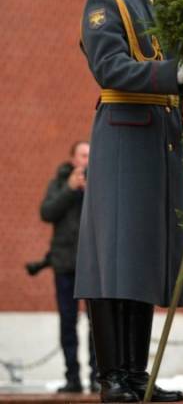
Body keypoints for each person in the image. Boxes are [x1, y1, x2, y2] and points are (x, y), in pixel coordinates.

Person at [75, 0, 183, 403]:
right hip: (125, 134)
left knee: (145, 257)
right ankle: (113, 378)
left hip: (161, 137)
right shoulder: (106, 2)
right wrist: (174, 73)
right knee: (115, 257)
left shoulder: (164, 6)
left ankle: (136, 375)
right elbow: (110, 67)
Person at [38, 141, 98, 393]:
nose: (87, 159)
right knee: (68, 322)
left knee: (97, 324)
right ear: (73, 159)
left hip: (93, 265)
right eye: (83, 155)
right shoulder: (60, 183)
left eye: (89, 155)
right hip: (65, 264)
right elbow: (47, 212)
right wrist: (70, 189)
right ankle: (72, 377)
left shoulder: (99, 183)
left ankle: (98, 375)